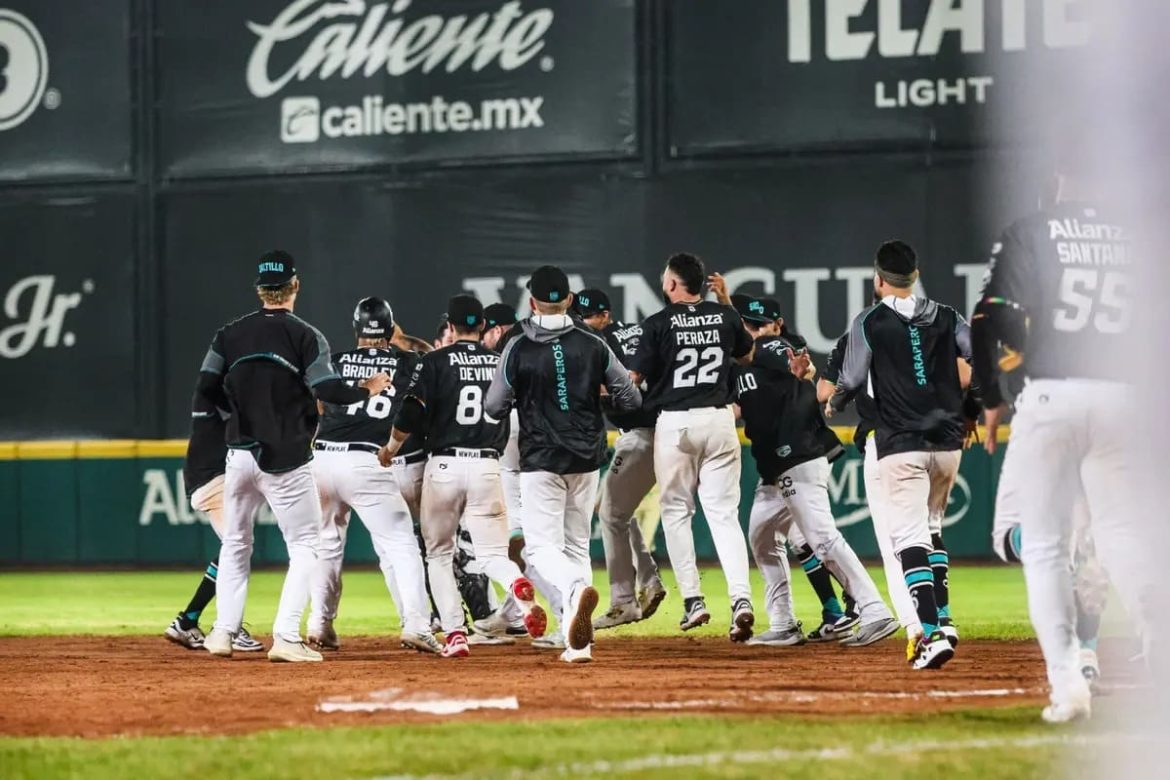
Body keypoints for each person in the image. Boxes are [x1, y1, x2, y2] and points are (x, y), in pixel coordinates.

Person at [972, 163, 1151, 721]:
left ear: (1057, 176)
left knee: (1040, 543)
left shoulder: (1035, 229)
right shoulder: (1139, 234)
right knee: (1122, 534)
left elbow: (989, 317)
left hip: (1053, 394)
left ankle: (1068, 683)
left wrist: (991, 394)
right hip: (1126, 398)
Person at [197, 251, 391, 662]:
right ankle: (286, 637)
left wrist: (239, 413)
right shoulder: (306, 336)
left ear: (259, 290)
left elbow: (206, 389)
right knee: (305, 545)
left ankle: (222, 633)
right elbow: (328, 390)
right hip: (285, 455)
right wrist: (367, 388)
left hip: (240, 454)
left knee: (235, 543)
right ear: (295, 286)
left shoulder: (228, 335)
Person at [485, 265, 642, 663]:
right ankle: (579, 645)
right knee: (576, 545)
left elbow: (494, 405)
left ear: (532, 301)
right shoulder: (593, 341)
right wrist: (597, 397)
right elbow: (631, 397)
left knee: (540, 549)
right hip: (587, 457)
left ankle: (573, 590)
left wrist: (524, 393)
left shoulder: (517, 345)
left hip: (541, 458)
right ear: (570, 300)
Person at [723, 293, 897, 648]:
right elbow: (736, 407)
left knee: (823, 538)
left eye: (755, 325)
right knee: (761, 537)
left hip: (797, 457)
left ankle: (875, 611)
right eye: (748, 325)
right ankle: (783, 623)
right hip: (774, 470)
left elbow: (793, 361)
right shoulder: (736, 367)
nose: (753, 331)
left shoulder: (770, 346)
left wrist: (801, 368)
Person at [380, 295, 548, 658]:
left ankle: (455, 634)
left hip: (444, 466)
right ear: (483, 326)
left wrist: (391, 448)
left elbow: (410, 412)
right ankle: (516, 582)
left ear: (451, 327)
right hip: (488, 465)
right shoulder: (501, 362)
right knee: (492, 554)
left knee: (439, 554)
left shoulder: (435, 361)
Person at [828, 241, 969, 670]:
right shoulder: (947, 316)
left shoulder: (870, 320)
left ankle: (929, 634)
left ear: (878, 279)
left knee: (907, 539)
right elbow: (978, 358)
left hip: (900, 443)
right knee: (931, 528)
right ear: (916, 274)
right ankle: (944, 620)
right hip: (947, 443)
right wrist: (972, 405)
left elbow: (852, 377)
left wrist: (835, 402)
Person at [628, 253, 755, 640]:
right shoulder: (725, 316)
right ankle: (741, 599)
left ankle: (694, 600)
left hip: (676, 423)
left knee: (676, 513)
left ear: (671, 284)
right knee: (724, 516)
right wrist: (726, 302)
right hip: (719, 420)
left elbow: (634, 378)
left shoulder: (658, 323)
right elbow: (747, 354)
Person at [306, 297, 439, 654]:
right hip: (366, 460)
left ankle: (320, 624)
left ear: (355, 328)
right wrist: (392, 448)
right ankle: (417, 625)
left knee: (327, 545)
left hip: (321, 459)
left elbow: (317, 404)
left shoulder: (335, 362)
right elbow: (425, 373)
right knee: (402, 545)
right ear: (391, 328)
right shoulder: (408, 362)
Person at [574, 288, 667, 630]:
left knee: (611, 512)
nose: (583, 324)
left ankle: (624, 601)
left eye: (588, 318)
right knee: (619, 513)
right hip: (670, 428)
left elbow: (609, 390)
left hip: (642, 434)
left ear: (604, 315)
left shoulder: (597, 344)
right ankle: (650, 581)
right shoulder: (641, 332)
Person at [162, 398, 263, 654]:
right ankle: (229, 628)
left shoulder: (219, 400)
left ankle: (189, 621)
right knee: (237, 548)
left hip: (208, 478)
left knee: (234, 548)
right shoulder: (226, 402)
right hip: (214, 480)